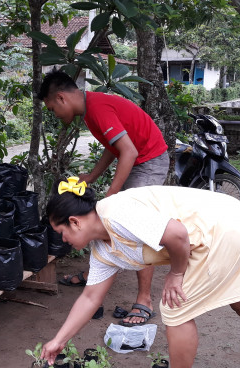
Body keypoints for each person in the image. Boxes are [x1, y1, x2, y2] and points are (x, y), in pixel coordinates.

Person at [40, 177, 240, 368]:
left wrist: (176, 274)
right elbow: (90, 298)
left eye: (61, 233)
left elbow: (177, 234)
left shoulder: (114, 212)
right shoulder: (103, 251)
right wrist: (58, 340)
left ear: (74, 221)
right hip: (237, 219)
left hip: (222, 230)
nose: (62, 241)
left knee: (173, 304)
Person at [37, 69, 170, 326]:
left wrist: (111, 198)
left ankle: (144, 300)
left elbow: (128, 152)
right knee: (104, 223)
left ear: (62, 98)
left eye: (53, 108)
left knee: (136, 227)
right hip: (139, 159)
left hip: (149, 161)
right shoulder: (89, 111)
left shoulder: (97, 108)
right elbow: (115, 147)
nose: (55, 114)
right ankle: (95, 272)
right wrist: (93, 176)